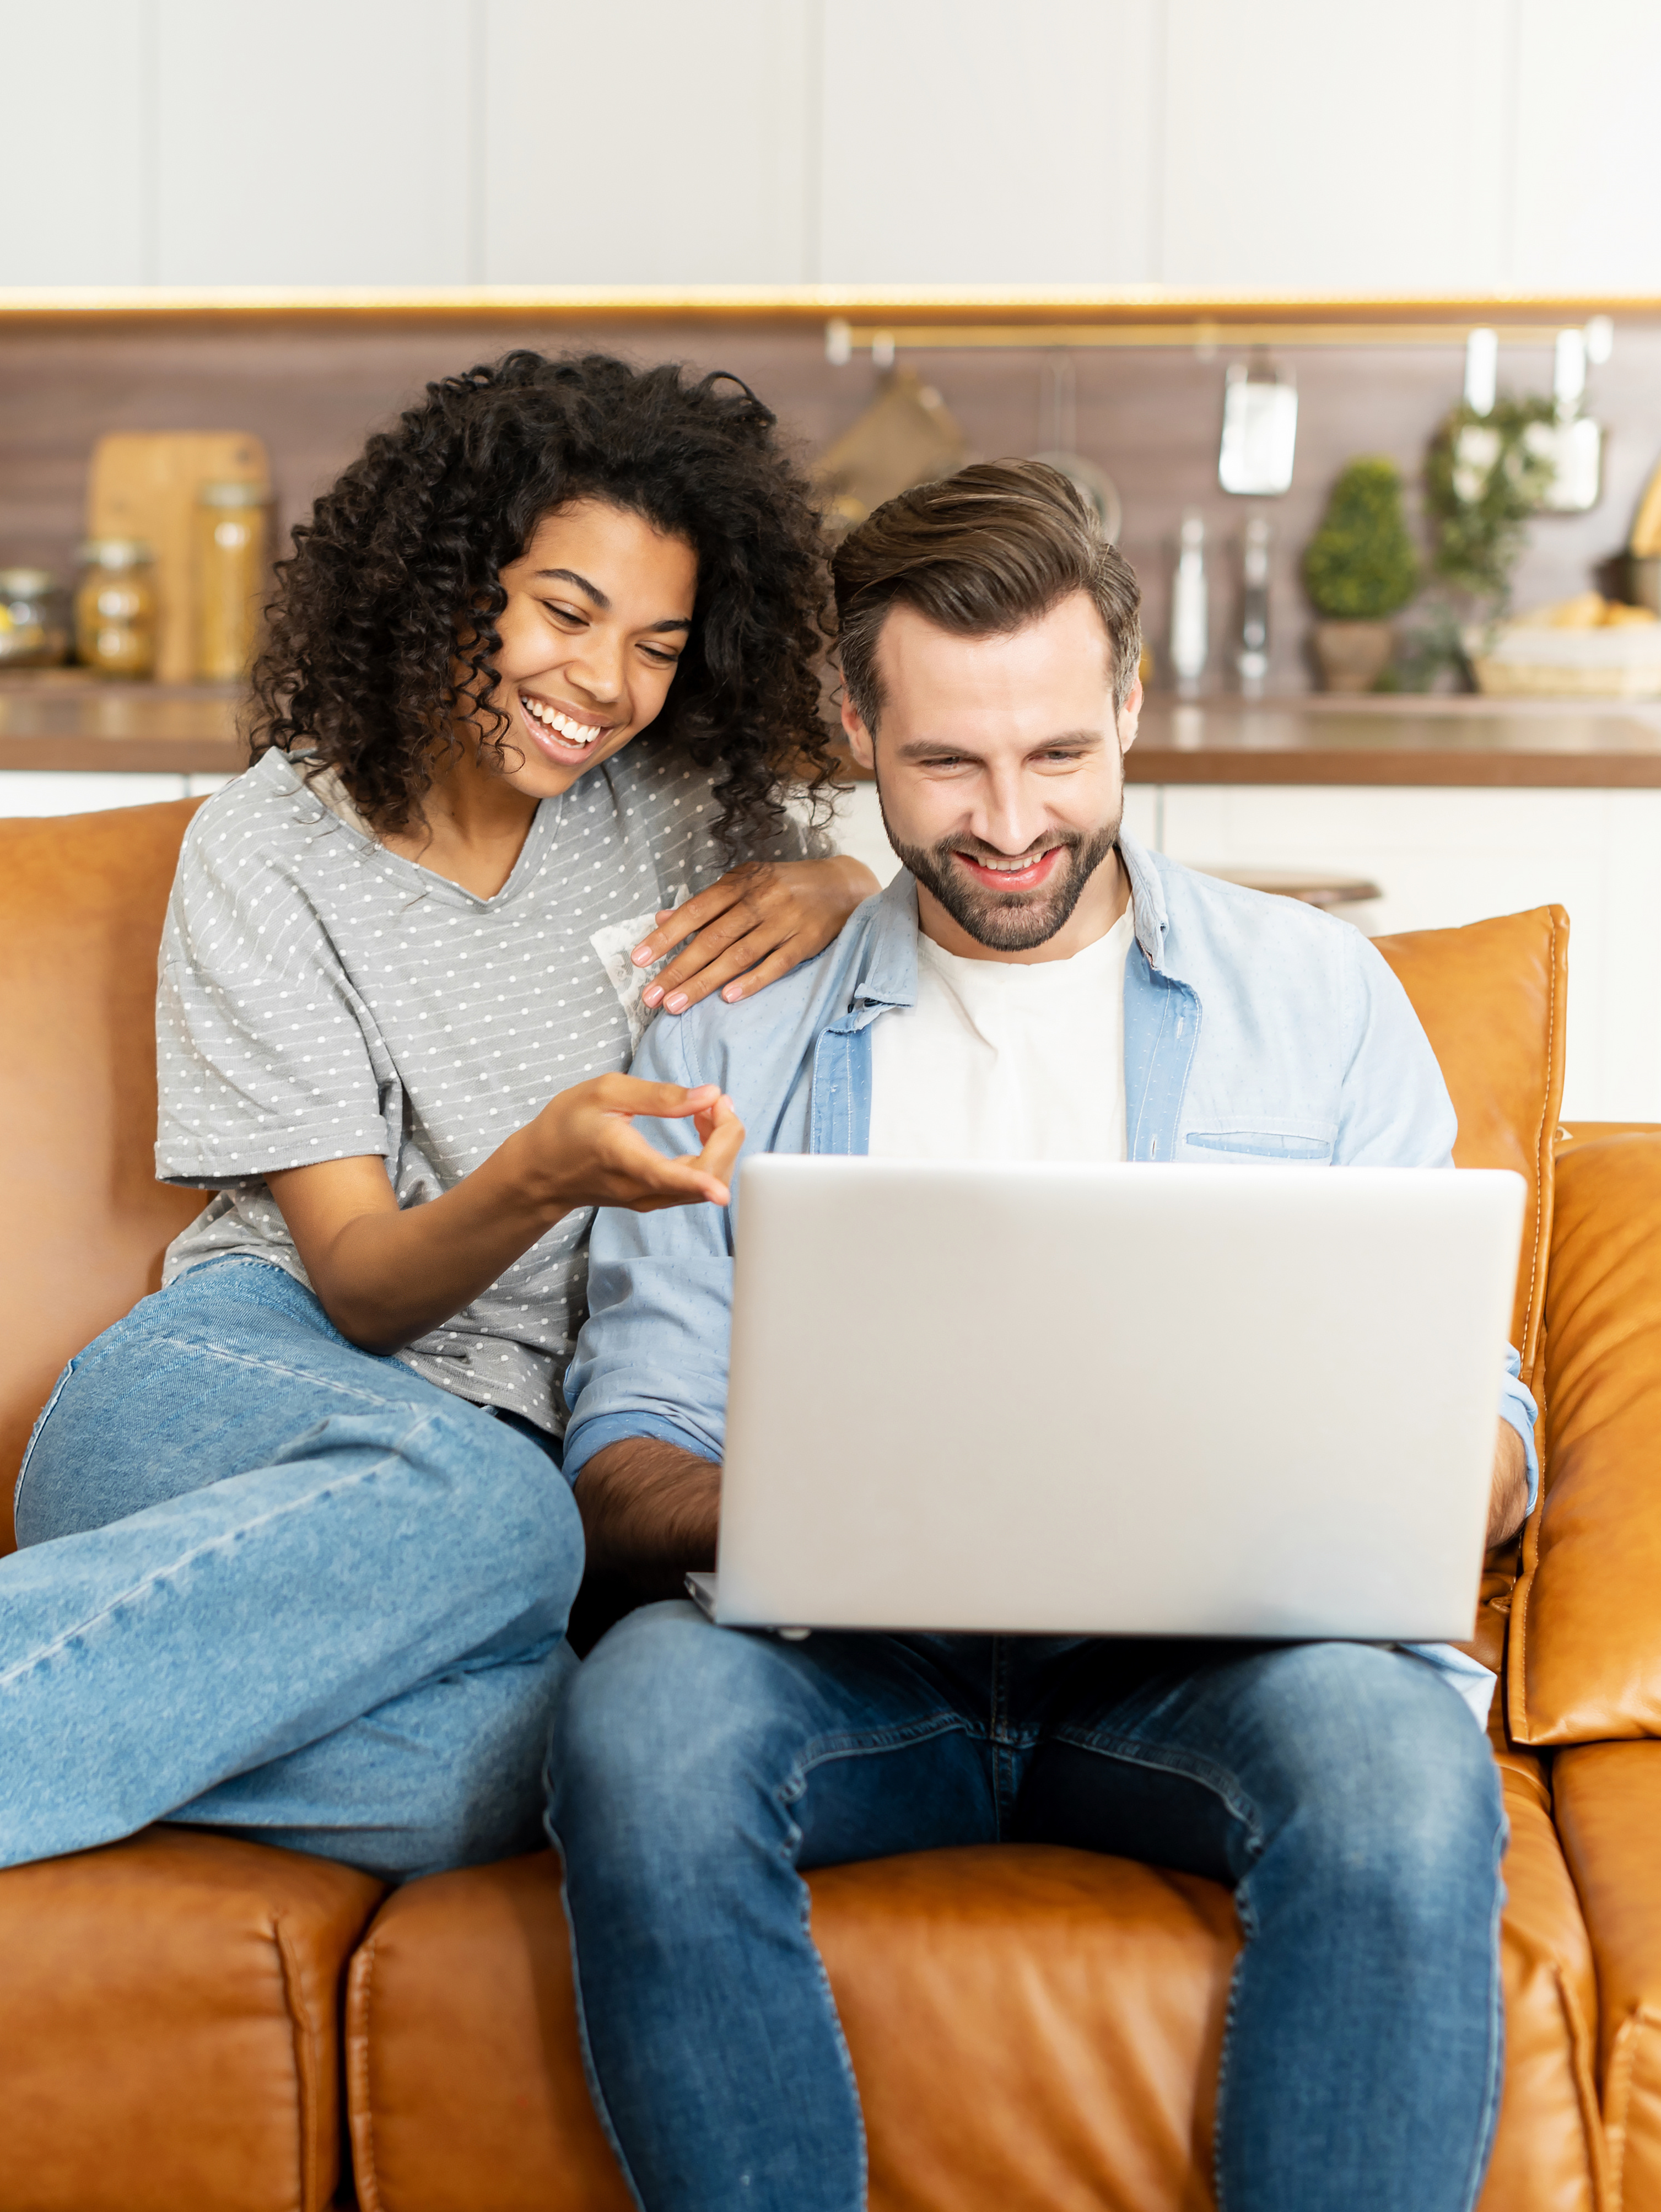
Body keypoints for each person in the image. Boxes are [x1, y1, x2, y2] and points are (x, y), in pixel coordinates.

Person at [0, 352, 878, 1924]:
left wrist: (843, 895)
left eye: (658, 646)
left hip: (454, 1520)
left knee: (512, 1758)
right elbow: (365, 1291)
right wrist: (545, 1164)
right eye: (564, 609)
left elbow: (872, 967)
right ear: (453, 579)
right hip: (234, 1395)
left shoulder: (670, 817)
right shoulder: (267, 849)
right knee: (503, 1516)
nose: (604, 683)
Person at [548, 458, 1539, 2212]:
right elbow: (621, 1450)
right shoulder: (735, 1029)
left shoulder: (1313, 999)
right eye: (944, 763)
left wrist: (1394, 1492)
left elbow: (1491, 1422)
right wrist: (822, 1507)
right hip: (855, 1675)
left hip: (1199, 1678)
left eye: (1060, 756)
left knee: (1398, 1768)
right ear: (857, 731)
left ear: (1131, 706)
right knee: (639, 1724)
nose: (1009, 820)